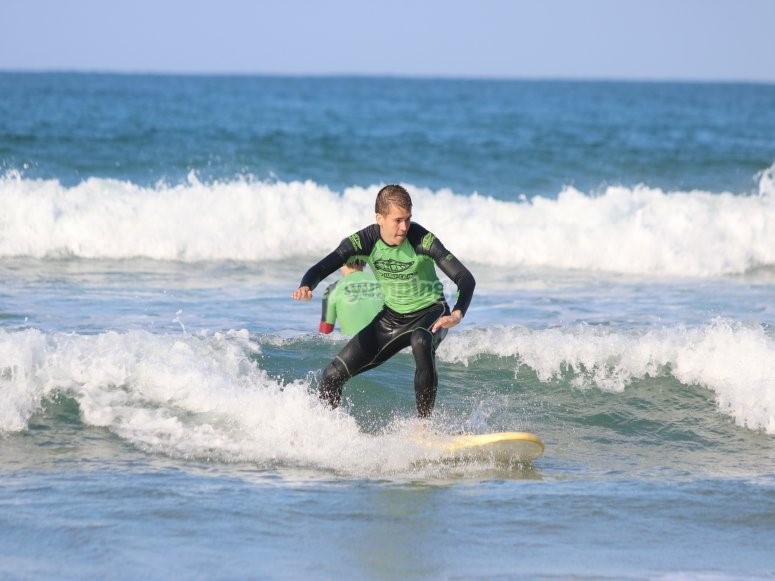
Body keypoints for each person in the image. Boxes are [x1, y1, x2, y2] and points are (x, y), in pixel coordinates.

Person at [292, 184, 475, 417]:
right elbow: (323, 266)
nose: (404, 227)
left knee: (420, 339)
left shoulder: (422, 239)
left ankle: (424, 427)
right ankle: (328, 430)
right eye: (397, 220)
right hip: (391, 318)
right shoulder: (364, 240)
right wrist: (307, 285)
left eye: (408, 219)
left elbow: (464, 277)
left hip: (432, 312)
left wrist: (457, 313)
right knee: (332, 375)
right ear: (379, 217)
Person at [319, 259, 383, 335]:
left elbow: (324, 333)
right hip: (388, 342)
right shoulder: (384, 281)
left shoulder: (332, 289)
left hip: (354, 344)